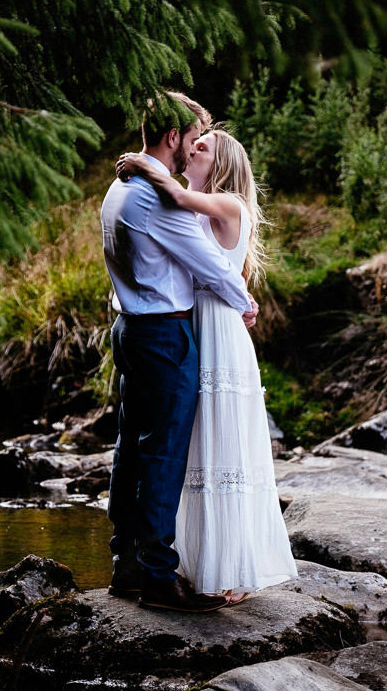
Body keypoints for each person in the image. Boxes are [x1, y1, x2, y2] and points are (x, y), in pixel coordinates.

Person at [115, 127, 297, 605]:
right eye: (193, 143)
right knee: (191, 449)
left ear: (222, 165)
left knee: (222, 445)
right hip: (196, 325)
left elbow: (175, 194)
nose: (193, 150)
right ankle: (191, 563)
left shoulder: (230, 203)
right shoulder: (191, 204)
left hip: (219, 330)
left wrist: (139, 161)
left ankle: (229, 570)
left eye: (204, 147)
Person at [100, 92, 256, 614]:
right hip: (163, 336)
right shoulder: (155, 196)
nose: (194, 150)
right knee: (163, 452)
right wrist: (246, 302)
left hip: (130, 327)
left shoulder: (118, 187)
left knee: (131, 447)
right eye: (193, 138)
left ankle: (125, 565)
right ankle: (158, 577)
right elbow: (210, 265)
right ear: (174, 138)